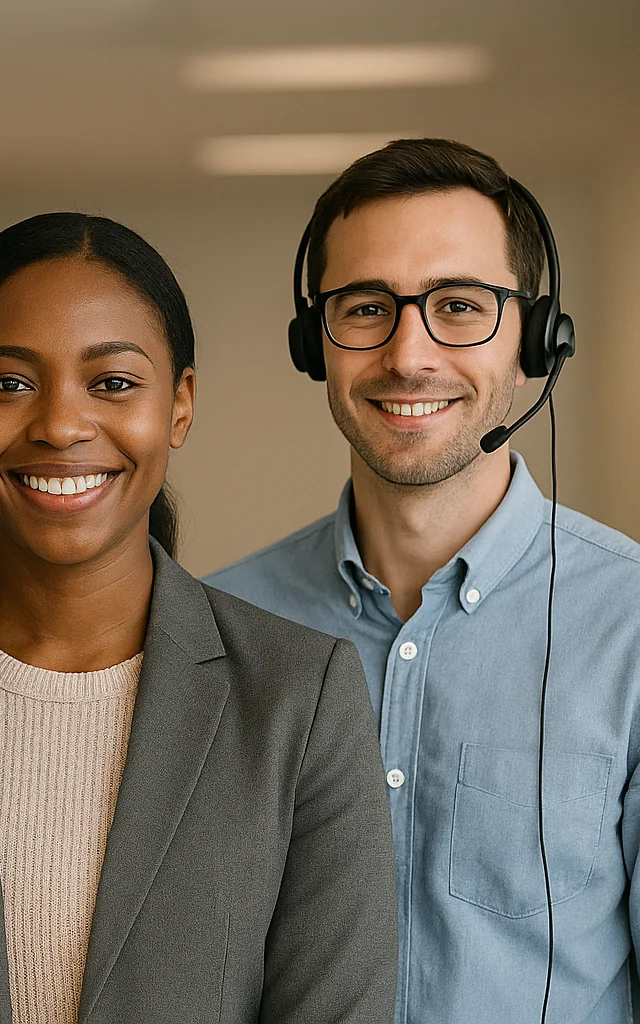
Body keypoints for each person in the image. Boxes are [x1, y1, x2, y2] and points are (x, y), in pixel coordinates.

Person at [0, 212, 399, 1024]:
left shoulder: (301, 697)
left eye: (114, 383)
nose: (59, 424)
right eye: (9, 384)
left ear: (180, 405)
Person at [206, 138, 640, 1023]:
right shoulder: (216, 628)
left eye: (459, 306)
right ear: (312, 343)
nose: (409, 355)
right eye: (367, 307)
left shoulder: (629, 624)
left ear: (536, 338)